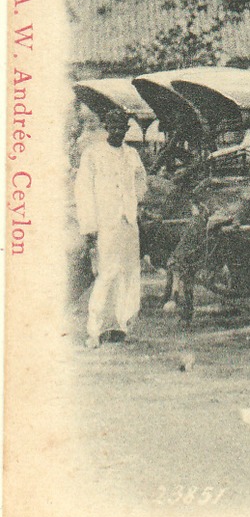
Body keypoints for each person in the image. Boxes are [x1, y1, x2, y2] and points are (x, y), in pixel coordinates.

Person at [74, 110, 149, 347]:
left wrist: (134, 203)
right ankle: (94, 331)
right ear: (107, 128)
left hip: (128, 222)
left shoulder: (132, 154)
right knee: (107, 273)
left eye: (122, 128)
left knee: (129, 273)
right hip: (105, 223)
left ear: (127, 130)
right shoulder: (93, 154)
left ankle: (123, 325)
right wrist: (90, 225)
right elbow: (83, 190)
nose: (118, 131)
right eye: (114, 127)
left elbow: (141, 182)